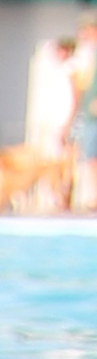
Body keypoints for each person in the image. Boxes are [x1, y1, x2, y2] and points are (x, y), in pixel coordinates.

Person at [73, 18, 97, 213]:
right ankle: (92, 195)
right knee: (88, 156)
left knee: (92, 156)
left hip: (93, 115)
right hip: (88, 115)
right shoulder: (86, 55)